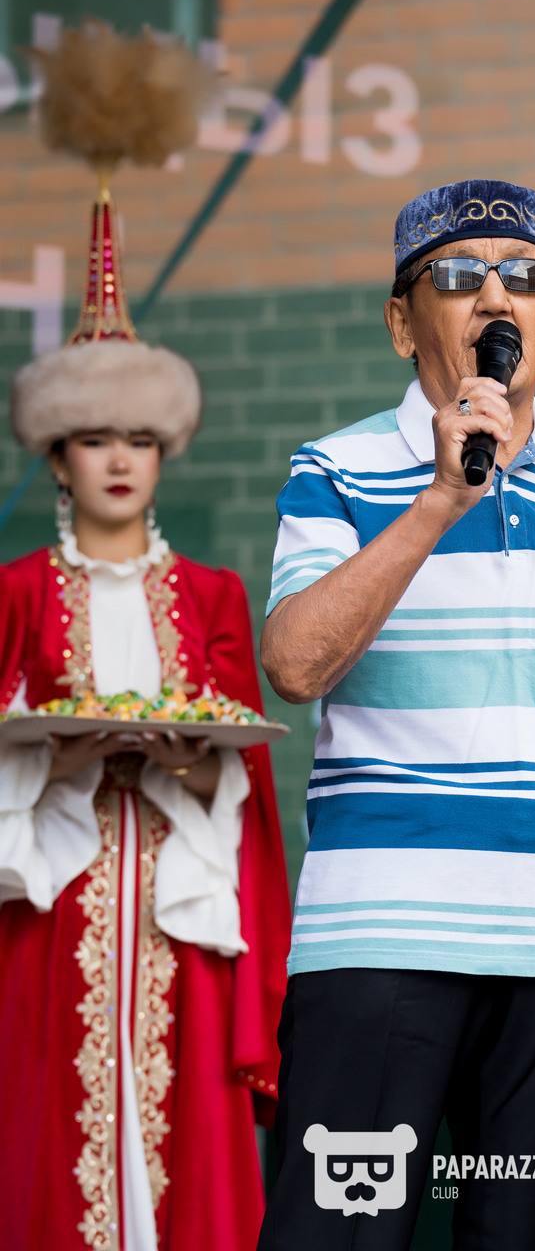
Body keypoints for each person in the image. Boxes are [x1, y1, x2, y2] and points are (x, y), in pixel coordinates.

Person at [257, 179, 535, 1251]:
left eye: (525, 277)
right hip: (378, 941)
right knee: (338, 1236)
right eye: (456, 275)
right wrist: (441, 497)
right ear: (403, 323)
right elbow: (294, 665)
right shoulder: (337, 467)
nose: (495, 297)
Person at [0, 186, 290, 1251]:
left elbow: (243, 777)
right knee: (45, 1127)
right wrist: (56, 757)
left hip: (180, 905)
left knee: (188, 1142)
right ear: (56, 455)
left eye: (138, 437)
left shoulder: (212, 594)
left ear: (166, 450)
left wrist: (189, 758)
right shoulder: (14, 593)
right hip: (51, 908)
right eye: (92, 438)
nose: (118, 459)